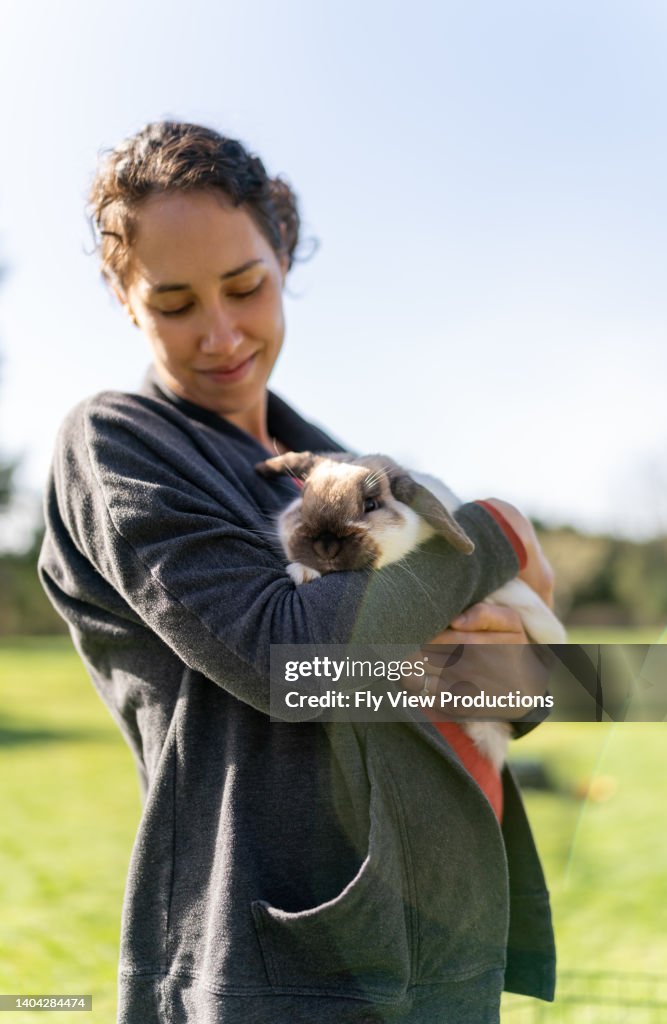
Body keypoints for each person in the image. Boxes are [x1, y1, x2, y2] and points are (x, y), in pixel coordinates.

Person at [39, 121, 555, 1023]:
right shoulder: (120, 444)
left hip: (447, 938)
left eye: (246, 286)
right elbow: (295, 665)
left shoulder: (333, 461)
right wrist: (501, 532)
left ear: (283, 259)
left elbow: (509, 695)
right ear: (124, 301)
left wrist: (529, 673)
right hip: (273, 962)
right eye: (174, 303)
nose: (222, 332)